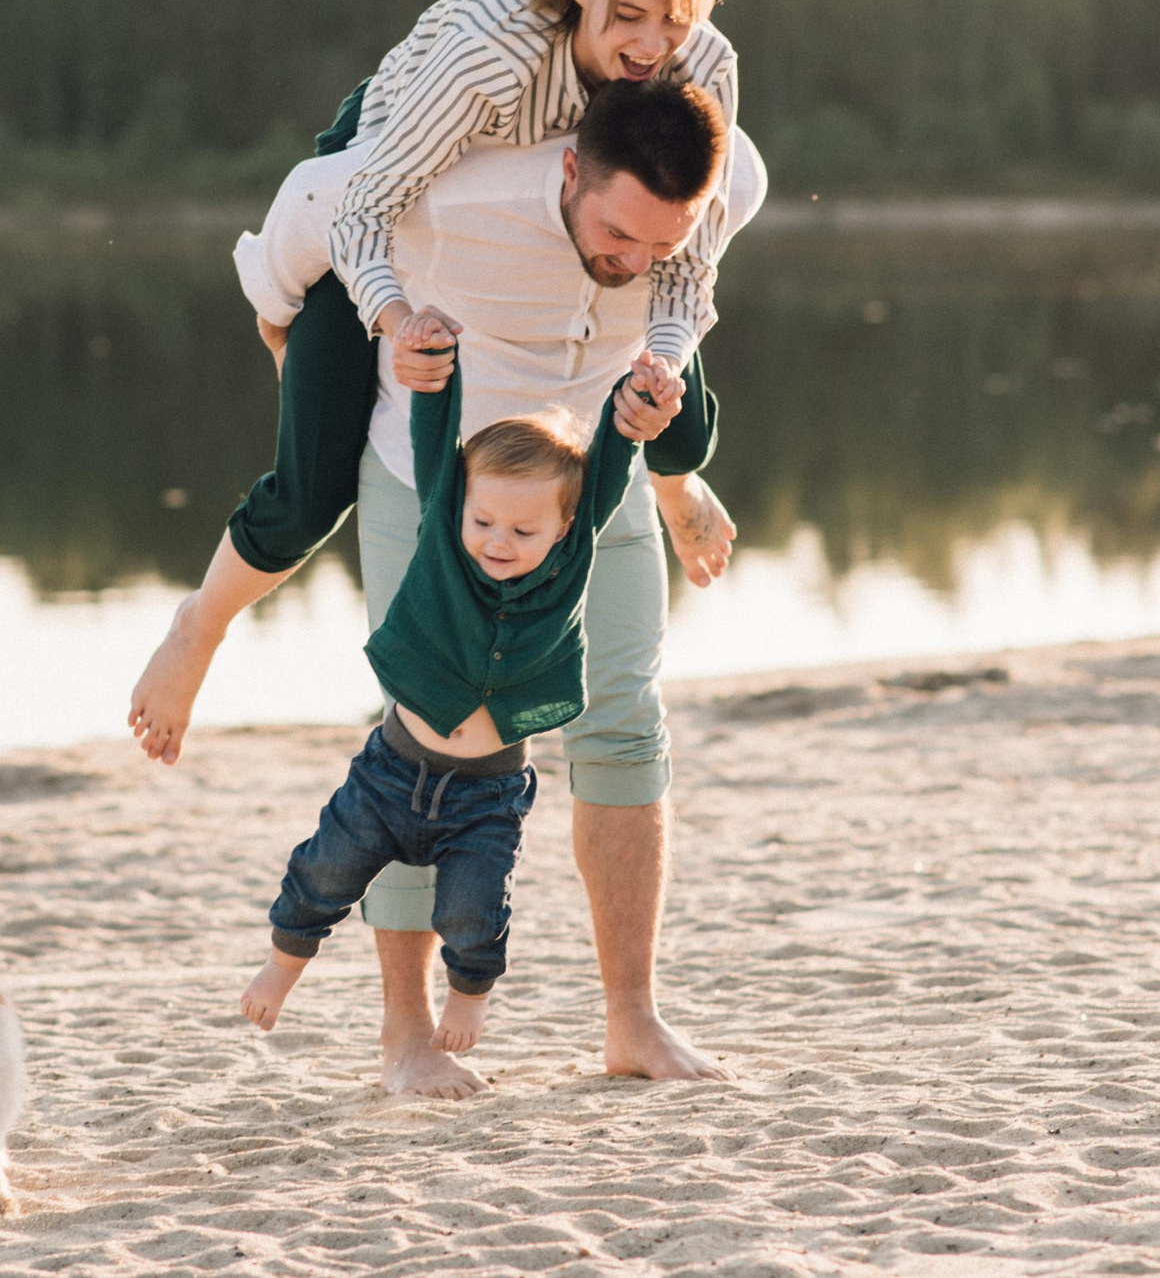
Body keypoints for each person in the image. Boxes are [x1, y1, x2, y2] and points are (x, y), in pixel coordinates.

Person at [177, 74, 767, 1095]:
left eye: (657, 249)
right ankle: (405, 1036)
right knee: (425, 742)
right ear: (572, 170)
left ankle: (633, 1021)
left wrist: (672, 480)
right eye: (618, 234)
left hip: (593, 470)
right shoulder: (455, 184)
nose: (632, 262)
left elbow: (679, 327)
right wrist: (279, 321)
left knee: (624, 722)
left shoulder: (721, 182)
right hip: (435, 478)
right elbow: (310, 205)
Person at [129, 0, 743, 768]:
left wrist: (660, 366)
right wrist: (379, 316)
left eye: (676, 14)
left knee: (675, 385)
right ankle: (199, 624)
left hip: (590, 217)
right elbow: (355, 204)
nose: (654, 45)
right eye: (628, 14)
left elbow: (687, 254)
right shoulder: (488, 57)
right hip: (382, 192)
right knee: (314, 481)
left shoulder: (703, 67)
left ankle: (673, 481)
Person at [239, 340, 646, 1058]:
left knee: (473, 911)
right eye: (484, 520)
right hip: (391, 773)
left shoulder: (570, 561)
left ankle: (469, 996)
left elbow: (607, 472)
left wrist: (631, 407)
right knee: (325, 870)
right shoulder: (442, 542)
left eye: (524, 531)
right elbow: (435, 436)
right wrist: (436, 366)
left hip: (487, 797)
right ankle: (282, 964)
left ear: (562, 530)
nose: (497, 540)